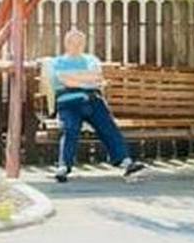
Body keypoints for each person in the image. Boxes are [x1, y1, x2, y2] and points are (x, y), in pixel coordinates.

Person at [44, 28, 145, 182]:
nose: (76, 45)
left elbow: (96, 77)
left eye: (80, 42)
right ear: (66, 43)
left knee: (108, 127)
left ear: (84, 44)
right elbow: (63, 80)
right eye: (72, 42)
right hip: (68, 102)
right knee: (70, 129)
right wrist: (85, 80)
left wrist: (75, 79)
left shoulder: (91, 59)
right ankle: (63, 167)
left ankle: (126, 163)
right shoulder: (57, 62)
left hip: (93, 100)